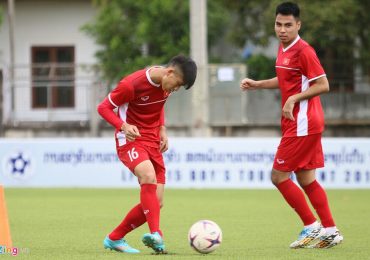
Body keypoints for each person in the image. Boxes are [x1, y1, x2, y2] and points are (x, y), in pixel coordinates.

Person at [240, 2, 343, 249]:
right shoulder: (283, 48)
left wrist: (294, 99)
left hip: (303, 123)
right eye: (278, 24)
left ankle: (311, 225)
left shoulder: (304, 51)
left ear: (298, 25)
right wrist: (257, 84)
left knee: (278, 176)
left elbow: (323, 84)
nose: (282, 29)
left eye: (288, 25)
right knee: (306, 179)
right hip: (299, 123)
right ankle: (330, 230)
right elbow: (287, 79)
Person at [97, 55, 197, 254]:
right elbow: (103, 108)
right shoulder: (131, 85)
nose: (174, 90)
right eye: (176, 85)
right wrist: (123, 125)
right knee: (148, 176)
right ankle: (157, 234)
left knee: (155, 203)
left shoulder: (165, 84)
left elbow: (158, 104)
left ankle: (115, 238)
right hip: (131, 140)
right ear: (169, 72)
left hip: (152, 141)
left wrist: (162, 129)